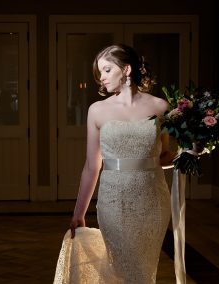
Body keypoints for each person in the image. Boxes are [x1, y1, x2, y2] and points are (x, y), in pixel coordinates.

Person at [54, 44, 177, 283]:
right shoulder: (97, 111)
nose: (101, 78)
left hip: (152, 202)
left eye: (107, 70)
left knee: (144, 270)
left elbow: (163, 157)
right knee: (128, 270)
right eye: (100, 72)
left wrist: (194, 152)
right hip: (113, 203)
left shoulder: (161, 107)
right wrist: (79, 212)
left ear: (126, 69)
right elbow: (92, 166)